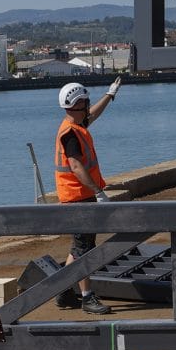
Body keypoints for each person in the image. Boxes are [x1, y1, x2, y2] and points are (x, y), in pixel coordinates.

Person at [53, 77, 122, 315]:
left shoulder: (76, 126)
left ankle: (62, 291)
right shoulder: (70, 134)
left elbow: (93, 114)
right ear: (77, 103)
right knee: (85, 251)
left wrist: (109, 95)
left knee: (79, 247)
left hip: (79, 196)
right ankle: (87, 297)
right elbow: (75, 166)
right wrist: (98, 191)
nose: (88, 104)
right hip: (78, 197)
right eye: (85, 101)